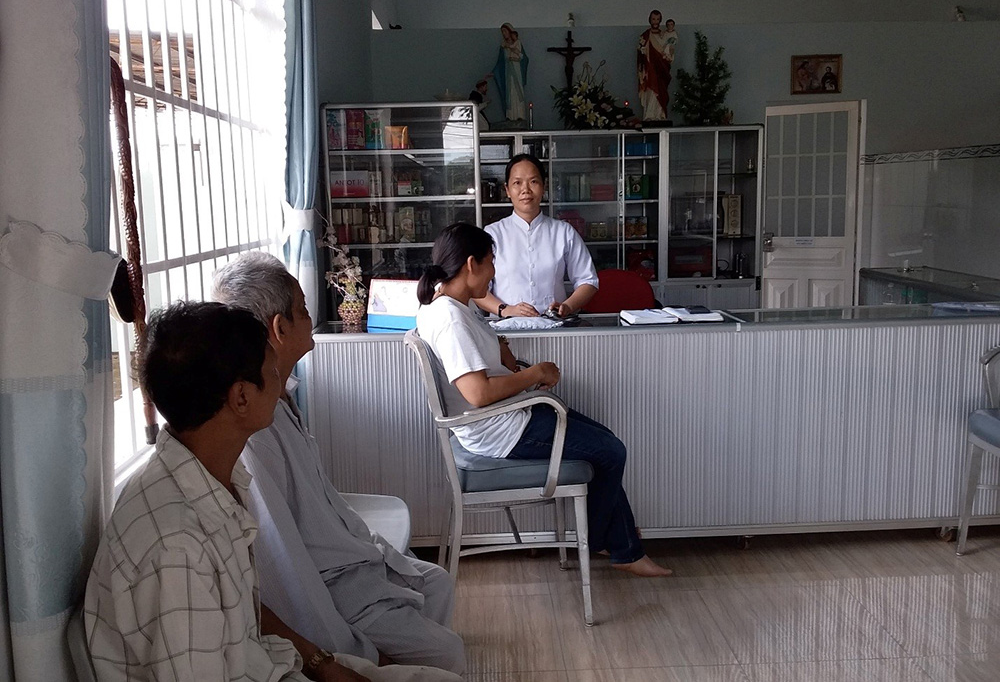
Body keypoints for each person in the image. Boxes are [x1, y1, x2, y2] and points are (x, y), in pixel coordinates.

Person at [83, 302, 371, 681]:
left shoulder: (210, 477)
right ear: (241, 397)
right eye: (272, 370)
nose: (280, 380)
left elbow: (242, 607)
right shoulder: (177, 548)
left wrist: (323, 665)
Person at [213, 252, 465, 675]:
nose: (310, 317)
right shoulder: (253, 429)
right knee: (447, 653)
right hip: (333, 585)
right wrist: (338, 655)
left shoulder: (281, 394)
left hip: (350, 562)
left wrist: (374, 551)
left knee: (435, 584)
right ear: (278, 327)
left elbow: (326, 507)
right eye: (303, 309)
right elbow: (285, 567)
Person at [417, 223, 672, 578]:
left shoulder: (449, 307)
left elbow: (487, 369)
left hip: (508, 417)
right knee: (611, 451)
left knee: (606, 443)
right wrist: (535, 374)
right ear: (472, 264)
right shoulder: (450, 319)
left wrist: (502, 353)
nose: (494, 273)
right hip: (501, 429)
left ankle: (620, 542)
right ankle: (615, 544)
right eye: (491, 263)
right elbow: (477, 393)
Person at [474, 153, 599, 318]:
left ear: (544, 186)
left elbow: (588, 280)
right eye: (517, 183)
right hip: (506, 329)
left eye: (533, 181)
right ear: (507, 190)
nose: (525, 190)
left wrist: (567, 306)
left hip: (553, 325)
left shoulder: (563, 232)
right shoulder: (492, 234)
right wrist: (505, 309)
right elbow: (475, 287)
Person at [637, 12, 677, 122]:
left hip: (661, 69)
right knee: (651, 91)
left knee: (661, 91)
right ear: (650, 20)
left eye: (658, 19)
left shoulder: (663, 35)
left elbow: (668, 49)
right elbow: (641, 52)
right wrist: (643, 52)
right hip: (650, 68)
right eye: (653, 19)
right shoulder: (645, 35)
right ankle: (649, 115)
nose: (655, 21)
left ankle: (660, 115)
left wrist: (670, 52)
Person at [493, 22, 528, 122]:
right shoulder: (503, 46)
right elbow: (500, 61)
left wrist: (517, 58)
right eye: (502, 32)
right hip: (508, 71)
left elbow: (524, 58)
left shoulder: (517, 43)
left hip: (517, 70)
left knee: (518, 91)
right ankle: (510, 115)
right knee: (509, 92)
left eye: (505, 31)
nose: (504, 34)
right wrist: (494, 72)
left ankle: (520, 115)